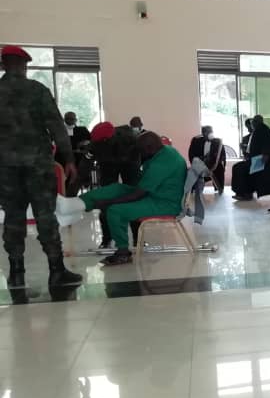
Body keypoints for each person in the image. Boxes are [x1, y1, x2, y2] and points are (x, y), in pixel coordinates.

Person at [0, 45, 82, 288]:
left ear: (3, 65)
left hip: (5, 168)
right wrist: (68, 159)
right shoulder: (37, 91)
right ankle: (56, 270)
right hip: (37, 165)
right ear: (24, 66)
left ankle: (16, 271)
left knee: (13, 217)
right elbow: (57, 128)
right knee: (45, 216)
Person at [78, 132, 187, 266]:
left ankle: (123, 253)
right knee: (117, 188)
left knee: (115, 211)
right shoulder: (166, 151)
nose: (138, 153)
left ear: (149, 148)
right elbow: (141, 189)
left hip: (164, 204)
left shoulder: (160, 164)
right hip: (155, 194)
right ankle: (78, 203)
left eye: (140, 150)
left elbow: (138, 194)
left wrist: (107, 203)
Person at [89, 123, 142, 249]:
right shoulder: (96, 143)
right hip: (107, 163)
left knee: (134, 198)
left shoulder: (131, 139)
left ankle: (138, 239)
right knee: (105, 199)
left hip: (130, 161)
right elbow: (84, 166)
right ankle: (106, 238)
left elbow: (141, 161)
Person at [231, 115, 270, 200]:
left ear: (256, 122)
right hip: (258, 159)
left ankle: (245, 193)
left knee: (239, 168)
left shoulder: (263, 131)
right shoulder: (258, 131)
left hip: (266, 161)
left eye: (253, 122)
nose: (251, 125)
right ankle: (245, 193)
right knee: (239, 167)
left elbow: (267, 151)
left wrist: (258, 165)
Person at [188, 126, 225, 194]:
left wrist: (213, 161)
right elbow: (191, 154)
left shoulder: (217, 141)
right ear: (202, 133)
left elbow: (222, 156)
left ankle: (219, 187)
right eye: (205, 132)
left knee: (220, 167)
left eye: (210, 131)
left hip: (212, 164)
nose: (208, 133)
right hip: (199, 162)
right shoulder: (196, 141)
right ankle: (195, 190)